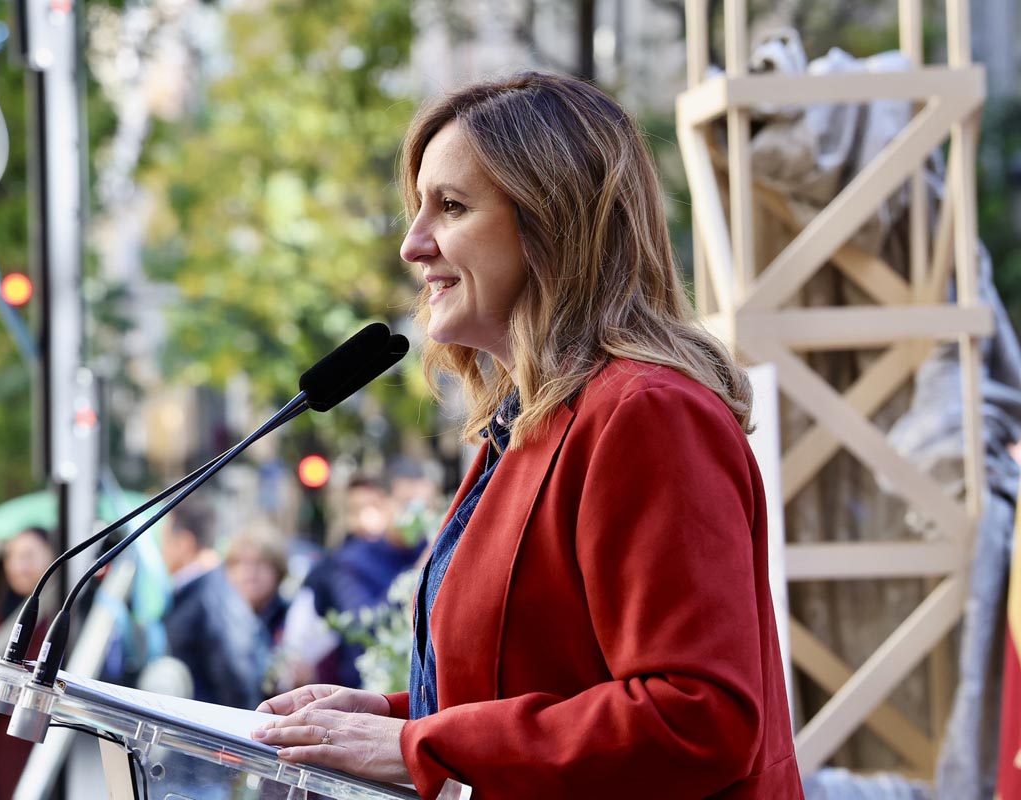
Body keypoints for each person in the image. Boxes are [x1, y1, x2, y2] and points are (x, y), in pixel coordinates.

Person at [253, 72, 804, 798]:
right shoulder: (529, 422)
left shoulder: (648, 413)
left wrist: (427, 745)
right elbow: (541, 682)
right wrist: (396, 718)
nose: (413, 246)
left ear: (552, 223)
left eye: (452, 207)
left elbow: (697, 717)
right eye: (418, 209)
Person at [280, 474, 427, 690]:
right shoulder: (347, 564)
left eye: (374, 506)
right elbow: (366, 623)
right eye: (356, 510)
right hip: (370, 683)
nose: (366, 517)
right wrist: (416, 577)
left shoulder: (423, 546)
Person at [159, 498, 267, 709]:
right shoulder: (207, 589)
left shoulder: (210, 597)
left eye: (165, 541)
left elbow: (236, 678)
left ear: (184, 543)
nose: (161, 550)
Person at [0, 526, 55, 800]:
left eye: (27, 556)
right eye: (11, 556)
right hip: (2, 740)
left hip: (44, 738)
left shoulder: (62, 618)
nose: (17, 566)